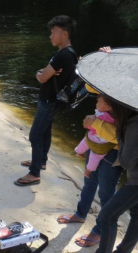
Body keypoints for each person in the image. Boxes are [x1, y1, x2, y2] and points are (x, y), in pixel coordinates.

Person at [56, 87, 124, 247]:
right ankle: (80, 214)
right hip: (96, 146)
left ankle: (100, 230)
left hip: (114, 153)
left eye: (99, 99)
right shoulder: (110, 96)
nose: (96, 100)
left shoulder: (127, 106)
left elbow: (120, 136)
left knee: (106, 193)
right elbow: (90, 87)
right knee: (89, 181)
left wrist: (95, 122)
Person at [15, 15, 77, 186]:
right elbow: (46, 74)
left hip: (49, 101)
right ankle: (41, 161)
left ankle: (34, 173)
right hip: (51, 100)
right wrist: (43, 72)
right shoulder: (68, 54)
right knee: (45, 132)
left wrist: (39, 72)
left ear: (64, 34)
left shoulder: (62, 56)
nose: (50, 36)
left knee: (35, 135)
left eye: (54, 32)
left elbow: (42, 78)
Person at [93, 103, 138, 252]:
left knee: (107, 216)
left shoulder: (134, 124)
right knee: (136, 216)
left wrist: (119, 135)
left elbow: (126, 162)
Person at [75, 94, 116, 174]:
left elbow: (92, 125)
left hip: (98, 140)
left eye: (98, 102)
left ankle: (79, 152)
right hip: (101, 142)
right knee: (95, 157)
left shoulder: (104, 116)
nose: (96, 104)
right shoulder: (114, 117)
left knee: (86, 144)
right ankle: (89, 170)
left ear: (108, 107)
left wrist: (89, 124)